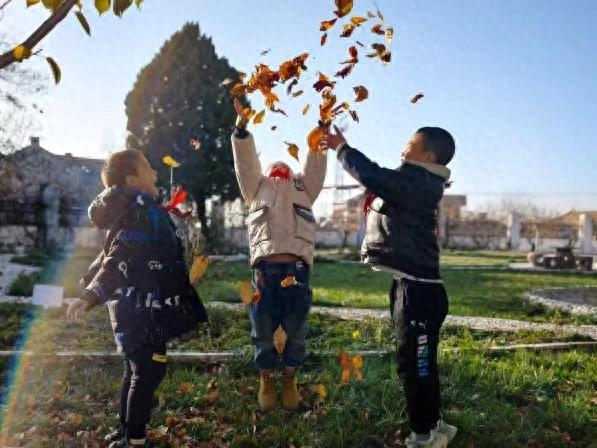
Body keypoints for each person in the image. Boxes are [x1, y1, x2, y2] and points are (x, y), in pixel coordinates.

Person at [320, 126, 457, 448]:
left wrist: (342, 148)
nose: (403, 151)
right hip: (409, 285)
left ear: (428, 156)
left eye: (409, 146)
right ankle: (436, 425)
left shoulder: (418, 182)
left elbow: (374, 175)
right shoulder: (418, 182)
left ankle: (423, 435)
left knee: (415, 365)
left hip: (419, 294)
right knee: (421, 362)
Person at [67, 149, 208, 448]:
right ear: (132, 179)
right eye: (148, 168)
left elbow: (109, 255)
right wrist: (93, 294)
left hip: (136, 308)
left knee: (135, 369)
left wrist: (90, 285)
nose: (156, 173)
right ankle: (134, 440)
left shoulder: (135, 212)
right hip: (143, 310)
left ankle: (124, 432)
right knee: (149, 371)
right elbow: (120, 258)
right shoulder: (140, 214)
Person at [231, 98, 327, 410]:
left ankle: (289, 377)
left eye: (284, 167)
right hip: (264, 275)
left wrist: (321, 129)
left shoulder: (303, 186)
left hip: (296, 273)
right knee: (263, 328)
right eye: (273, 168)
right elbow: (245, 164)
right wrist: (242, 132)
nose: (280, 169)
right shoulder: (256, 187)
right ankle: (266, 377)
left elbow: (315, 163)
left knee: (297, 328)